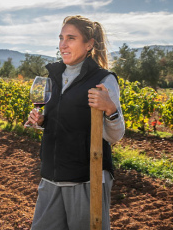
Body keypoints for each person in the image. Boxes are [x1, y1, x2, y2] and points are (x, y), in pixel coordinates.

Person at [27, 15, 125, 230]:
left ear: (89, 44)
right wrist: (42, 120)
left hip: (86, 179)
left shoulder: (103, 79)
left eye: (71, 38)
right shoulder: (53, 76)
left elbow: (114, 136)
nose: (63, 44)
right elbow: (62, 118)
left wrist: (110, 109)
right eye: (61, 37)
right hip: (51, 175)